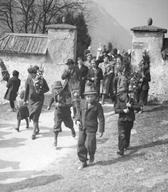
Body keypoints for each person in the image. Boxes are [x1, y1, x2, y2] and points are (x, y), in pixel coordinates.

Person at [76, 83, 105, 169]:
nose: (89, 98)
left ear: (95, 97)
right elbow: (78, 113)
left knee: (90, 144)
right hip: (82, 127)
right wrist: (77, 119)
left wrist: (101, 130)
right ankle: (83, 161)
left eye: (91, 96)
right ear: (85, 97)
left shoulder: (98, 106)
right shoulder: (82, 103)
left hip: (92, 128)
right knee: (80, 144)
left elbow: (101, 118)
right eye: (88, 96)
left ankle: (91, 154)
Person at [47, 81, 76, 149]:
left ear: (61, 88)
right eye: (56, 88)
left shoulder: (66, 94)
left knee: (69, 124)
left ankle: (72, 129)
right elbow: (51, 98)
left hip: (66, 112)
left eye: (58, 88)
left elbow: (70, 104)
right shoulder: (54, 93)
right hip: (58, 112)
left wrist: (60, 104)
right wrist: (49, 105)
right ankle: (55, 140)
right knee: (56, 125)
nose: (57, 90)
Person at [24, 66, 49, 140]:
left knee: (35, 115)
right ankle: (37, 128)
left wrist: (41, 91)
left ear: (35, 73)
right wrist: (25, 100)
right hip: (31, 100)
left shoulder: (41, 79)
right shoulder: (28, 79)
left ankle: (34, 132)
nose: (30, 75)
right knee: (32, 115)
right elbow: (27, 90)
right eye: (29, 74)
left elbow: (47, 89)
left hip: (39, 100)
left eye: (31, 74)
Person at [115, 90, 137, 156]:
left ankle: (126, 145)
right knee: (122, 135)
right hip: (121, 121)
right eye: (119, 95)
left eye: (121, 95)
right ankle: (120, 150)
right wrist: (123, 110)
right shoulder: (118, 101)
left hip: (130, 120)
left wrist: (131, 106)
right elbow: (116, 110)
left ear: (125, 94)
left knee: (127, 134)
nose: (120, 97)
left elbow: (138, 107)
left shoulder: (132, 100)